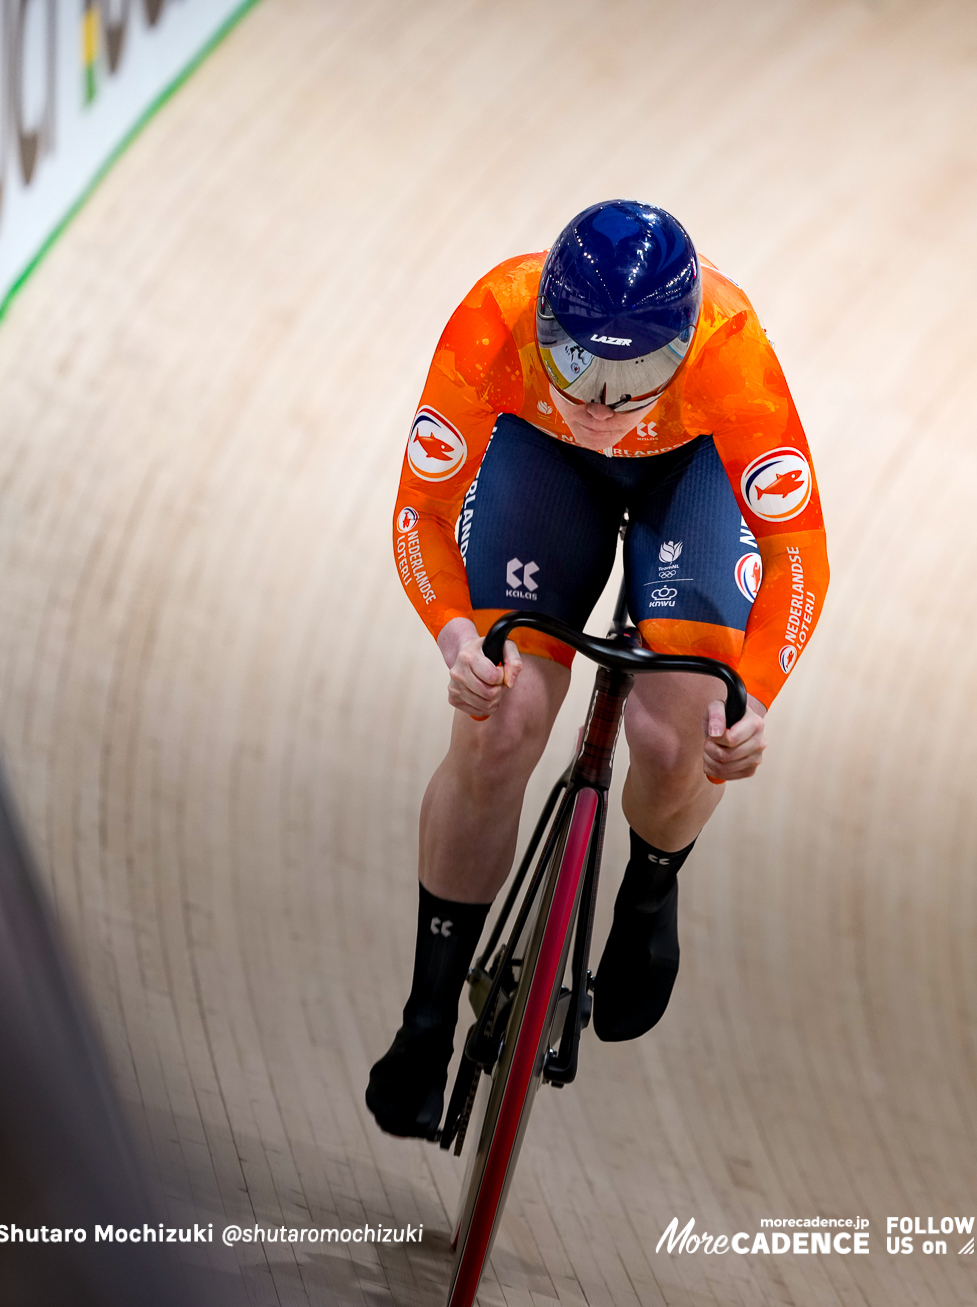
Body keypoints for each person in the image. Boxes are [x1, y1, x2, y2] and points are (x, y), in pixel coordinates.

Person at [367, 200, 829, 1140]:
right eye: (578, 362)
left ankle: (651, 881)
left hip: (689, 473)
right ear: (544, 324)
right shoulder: (492, 318)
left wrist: (756, 701)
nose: (606, 403)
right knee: (500, 724)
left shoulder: (732, 353)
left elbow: (801, 559)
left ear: (686, 346)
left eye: (641, 372)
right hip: (545, 465)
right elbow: (421, 512)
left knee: (681, 737)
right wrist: (458, 638)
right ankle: (426, 1017)